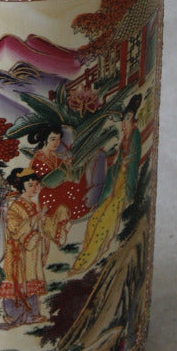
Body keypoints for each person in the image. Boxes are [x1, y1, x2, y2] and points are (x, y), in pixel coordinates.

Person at [69, 94, 143, 275]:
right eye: (123, 120)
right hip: (116, 181)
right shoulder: (125, 137)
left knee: (105, 221)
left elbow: (132, 161)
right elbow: (117, 162)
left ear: (133, 119)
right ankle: (85, 255)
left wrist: (124, 166)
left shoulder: (134, 136)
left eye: (127, 119)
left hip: (124, 185)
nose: (123, 124)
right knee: (95, 219)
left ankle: (86, 261)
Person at [0, 168, 60, 328]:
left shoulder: (32, 205)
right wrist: (37, 218)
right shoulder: (15, 207)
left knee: (31, 281)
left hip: (32, 252)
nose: (35, 188)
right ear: (22, 187)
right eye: (30, 185)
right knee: (15, 281)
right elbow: (15, 229)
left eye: (36, 184)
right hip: (18, 252)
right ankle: (12, 315)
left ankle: (32, 315)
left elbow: (41, 226)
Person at [27, 123, 91, 241]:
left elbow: (69, 173)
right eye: (53, 139)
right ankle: (56, 229)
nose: (56, 143)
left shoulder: (55, 157)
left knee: (78, 189)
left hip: (60, 189)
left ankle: (62, 228)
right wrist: (62, 169)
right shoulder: (38, 158)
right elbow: (45, 182)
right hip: (47, 193)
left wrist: (73, 166)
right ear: (45, 140)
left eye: (58, 139)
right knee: (67, 197)